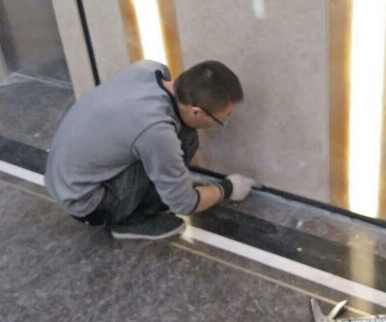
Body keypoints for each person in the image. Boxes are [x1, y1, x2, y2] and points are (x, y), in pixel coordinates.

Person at [45, 59, 257, 240]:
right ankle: (130, 222)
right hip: (87, 203)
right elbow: (185, 204)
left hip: (63, 179)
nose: (221, 123)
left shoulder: (147, 69)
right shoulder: (157, 131)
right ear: (196, 112)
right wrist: (228, 188)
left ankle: (156, 192)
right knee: (185, 139)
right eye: (221, 119)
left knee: (177, 140)